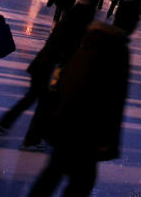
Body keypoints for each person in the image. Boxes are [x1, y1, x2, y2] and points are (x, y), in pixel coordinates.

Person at [26, 21, 128, 196]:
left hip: (65, 126)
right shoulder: (107, 58)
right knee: (79, 180)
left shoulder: (81, 50)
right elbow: (111, 103)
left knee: (54, 174)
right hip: (83, 132)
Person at [0, 0, 97, 150]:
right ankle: (31, 140)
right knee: (44, 107)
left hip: (41, 65)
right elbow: (66, 52)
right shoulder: (77, 28)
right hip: (52, 71)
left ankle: (5, 123)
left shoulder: (67, 21)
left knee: (32, 98)